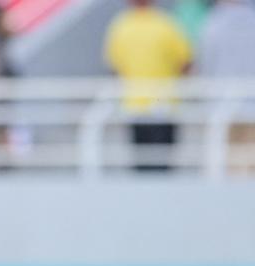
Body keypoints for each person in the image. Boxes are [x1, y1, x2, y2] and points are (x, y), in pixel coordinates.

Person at [104, 0, 193, 171]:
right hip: (165, 104)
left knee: (142, 166)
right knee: (164, 166)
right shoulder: (166, 24)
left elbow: (114, 68)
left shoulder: (121, 26)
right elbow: (185, 63)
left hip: (135, 106)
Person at [197, 0, 255, 173]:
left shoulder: (212, 24)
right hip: (251, 105)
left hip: (222, 107)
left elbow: (205, 66)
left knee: (229, 169)